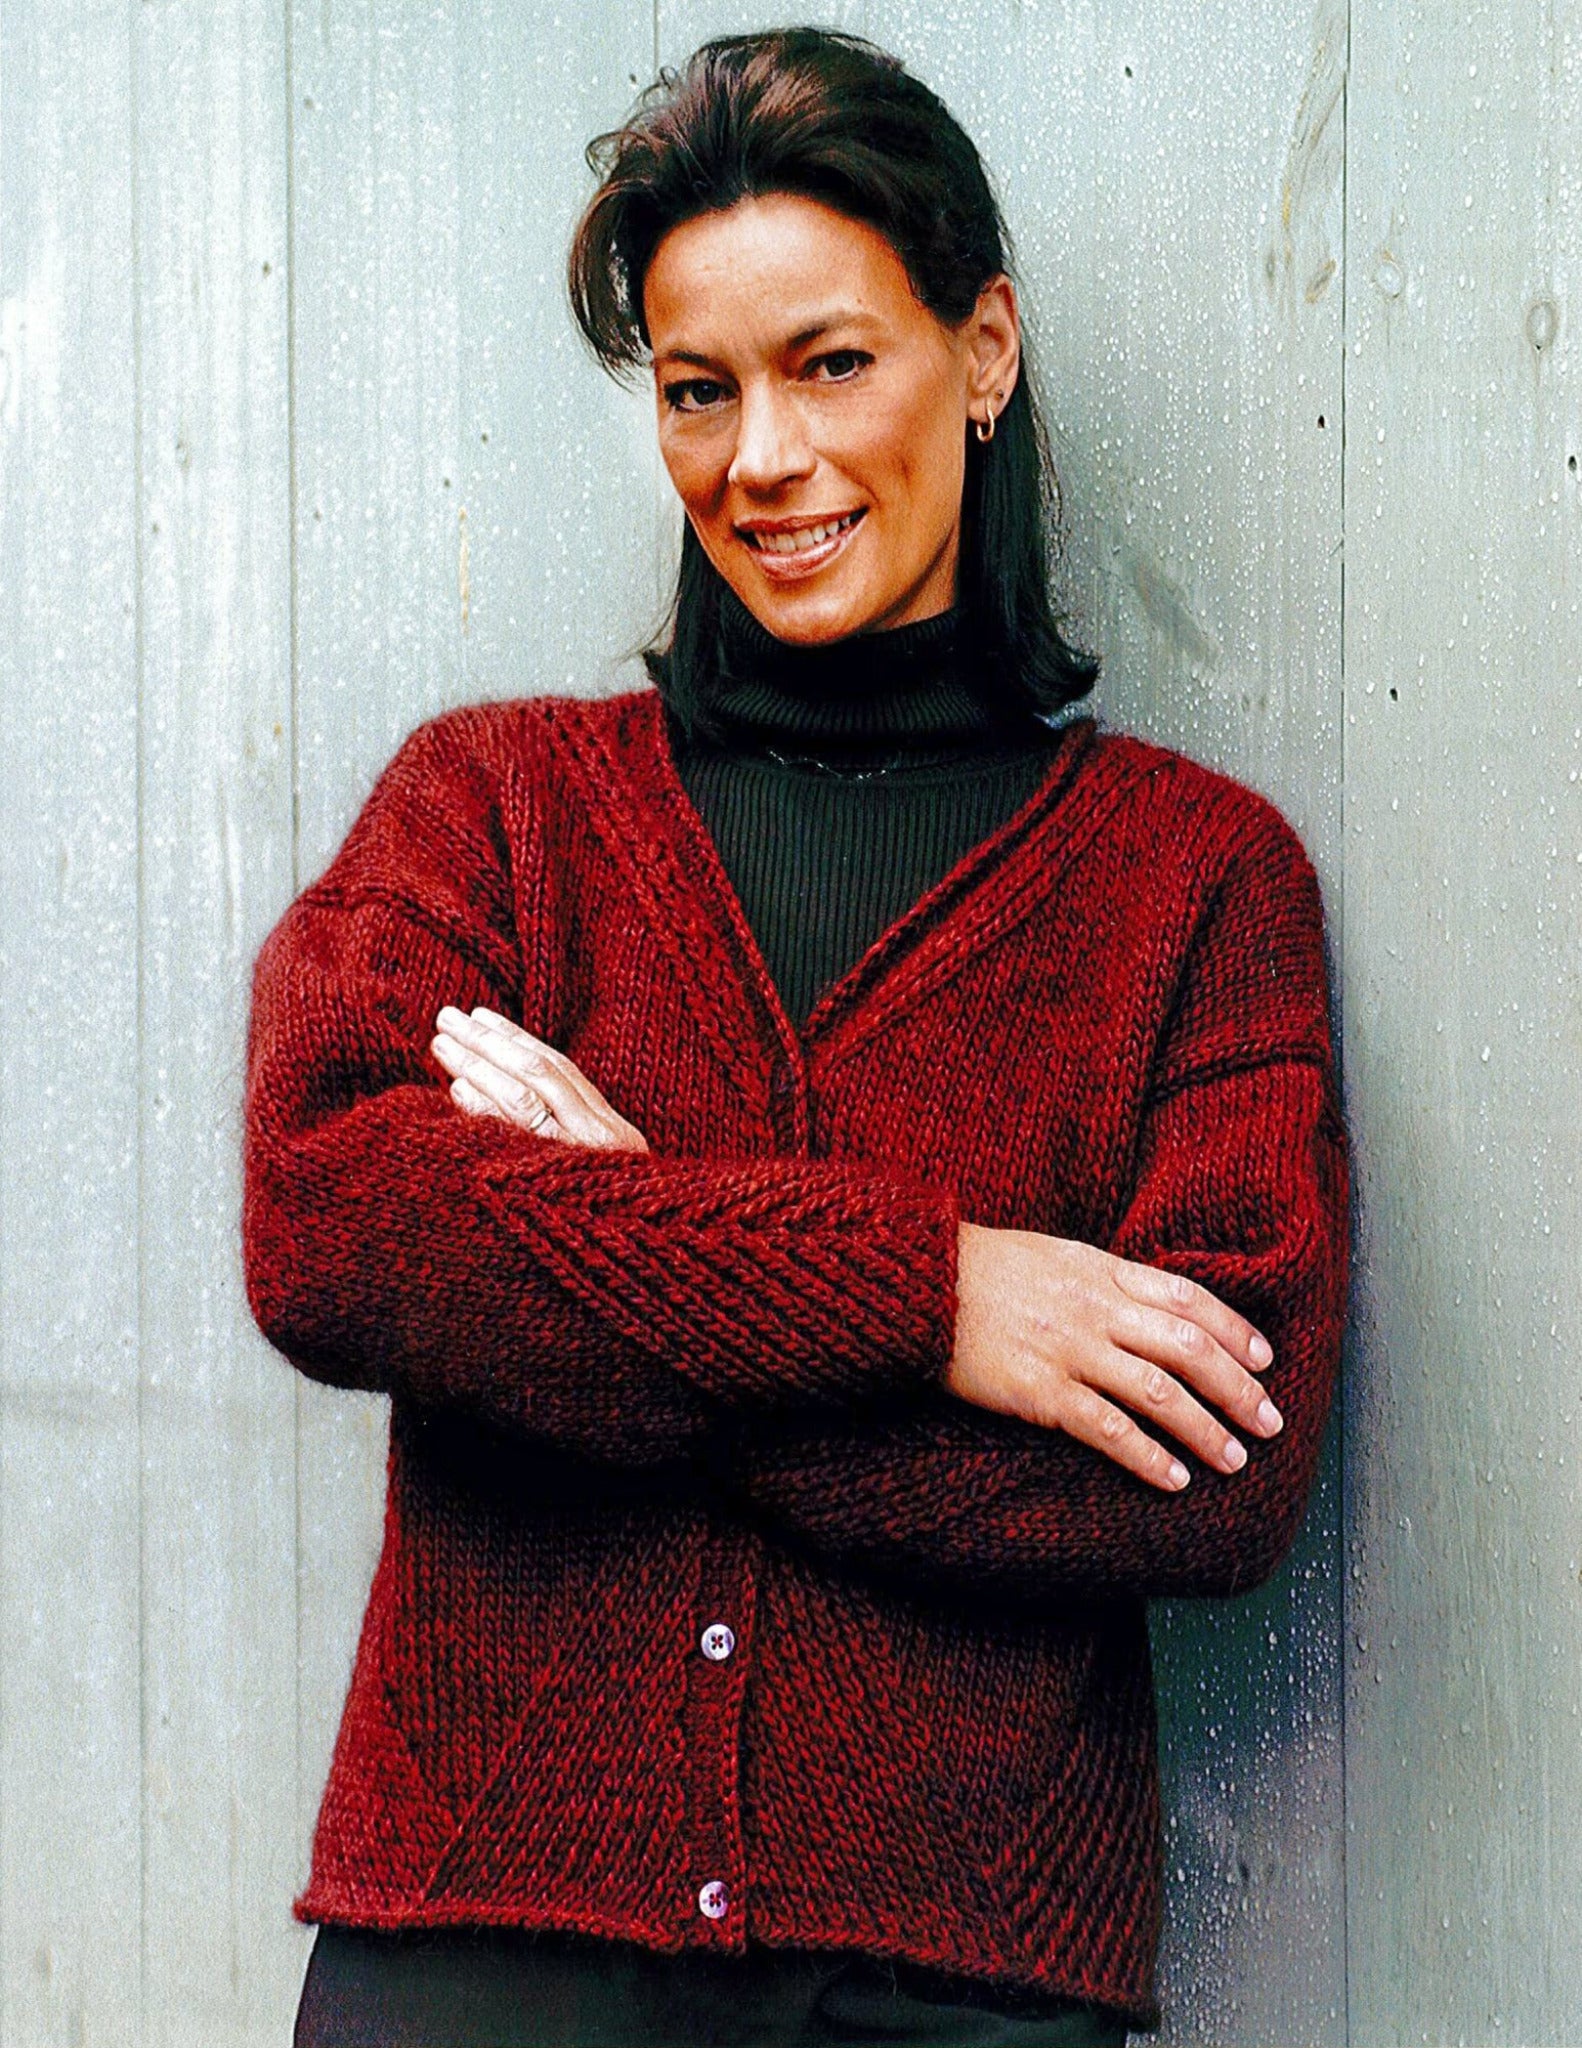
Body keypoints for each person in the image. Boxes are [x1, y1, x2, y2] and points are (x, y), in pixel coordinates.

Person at [246, 29, 1349, 2047]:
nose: (759, 454)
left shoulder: (1194, 884)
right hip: (487, 1948)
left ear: (980, 351)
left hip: (957, 1972)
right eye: (695, 388)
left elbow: (1205, 1475)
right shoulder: (492, 810)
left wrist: (623, 1247)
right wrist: (937, 1301)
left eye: (828, 360)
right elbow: (333, 1220)